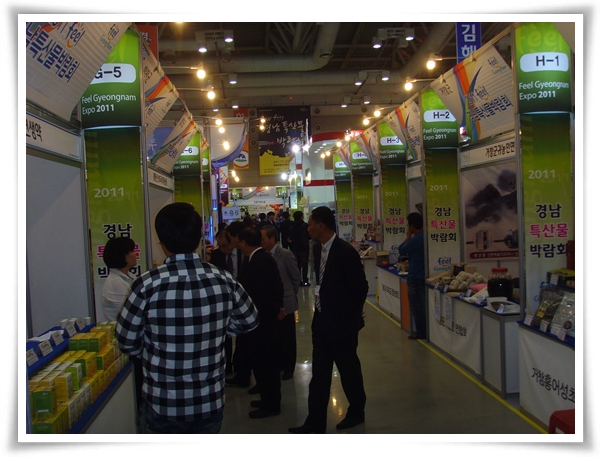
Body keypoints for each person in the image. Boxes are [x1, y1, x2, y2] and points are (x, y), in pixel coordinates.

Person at [116, 202, 259, 434]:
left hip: (163, 402)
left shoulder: (146, 285)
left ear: (162, 243)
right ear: (199, 238)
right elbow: (250, 320)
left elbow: (126, 341)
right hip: (209, 400)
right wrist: (220, 328)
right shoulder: (224, 280)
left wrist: (152, 346)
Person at [289, 206, 368, 434]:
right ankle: (314, 423)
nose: (308, 229)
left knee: (349, 371)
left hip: (343, 326)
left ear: (321, 225)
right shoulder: (317, 249)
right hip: (322, 321)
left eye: (310, 224)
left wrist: (353, 314)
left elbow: (360, 287)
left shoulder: (345, 251)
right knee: (320, 375)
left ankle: (357, 411)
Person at [237, 227, 284, 418]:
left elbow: (265, 293)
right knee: (262, 363)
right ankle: (266, 398)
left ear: (244, 243)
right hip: (261, 320)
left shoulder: (259, 261)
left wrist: (274, 310)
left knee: (266, 364)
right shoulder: (257, 259)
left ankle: (271, 404)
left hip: (262, 322)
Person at [260, 224, 301, 380]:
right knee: (275, 336)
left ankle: (289, 367)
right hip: (272, 303)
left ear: (272, 238)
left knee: (288, 336)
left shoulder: (285, 254)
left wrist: (290, 295)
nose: (261, 241)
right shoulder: (262, 255)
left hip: (286, 302)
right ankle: (278, 363)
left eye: (263, 238)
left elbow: (295, 278)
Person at [398, 212, 427, 340]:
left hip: (415, 276)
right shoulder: (426, 236)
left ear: (412, 226)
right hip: (423, 275)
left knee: (416, 306)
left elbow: (402, 250)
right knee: (422, 304)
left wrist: (408, 237)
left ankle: (421, 332)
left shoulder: (416, 239)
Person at [100, 236, 137, 322]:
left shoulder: (130, 276)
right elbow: (131, 312)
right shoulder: (115, 283)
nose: (135, 254)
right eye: (132, 251)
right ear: (124, 256)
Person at [291, 211, 310, 286]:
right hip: (304, 247)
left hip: (295, 247)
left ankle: (298, 281)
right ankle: (305, 280)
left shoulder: (292, 225)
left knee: (297, 265)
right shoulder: (305, 225)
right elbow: (309, 236)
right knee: (305, 265)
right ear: (301, 217)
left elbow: (291, 236)